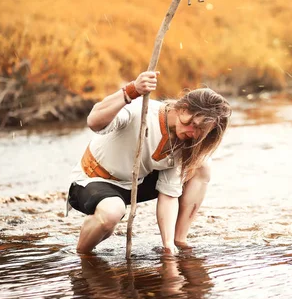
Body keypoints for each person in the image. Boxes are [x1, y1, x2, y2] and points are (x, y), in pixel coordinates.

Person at [67, 71, 232, 255]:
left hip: (134, 185)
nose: (194, 134)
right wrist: (131, 91)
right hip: (92, 180)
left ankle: (180, 239)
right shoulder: (141, 110)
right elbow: (94, 122)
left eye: (203, 131)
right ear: (184, 108)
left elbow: (169, 195)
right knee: (112, 212)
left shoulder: (185, 141)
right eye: (195, 125)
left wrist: (168, 246)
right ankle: (82, 255)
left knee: (201, 165)